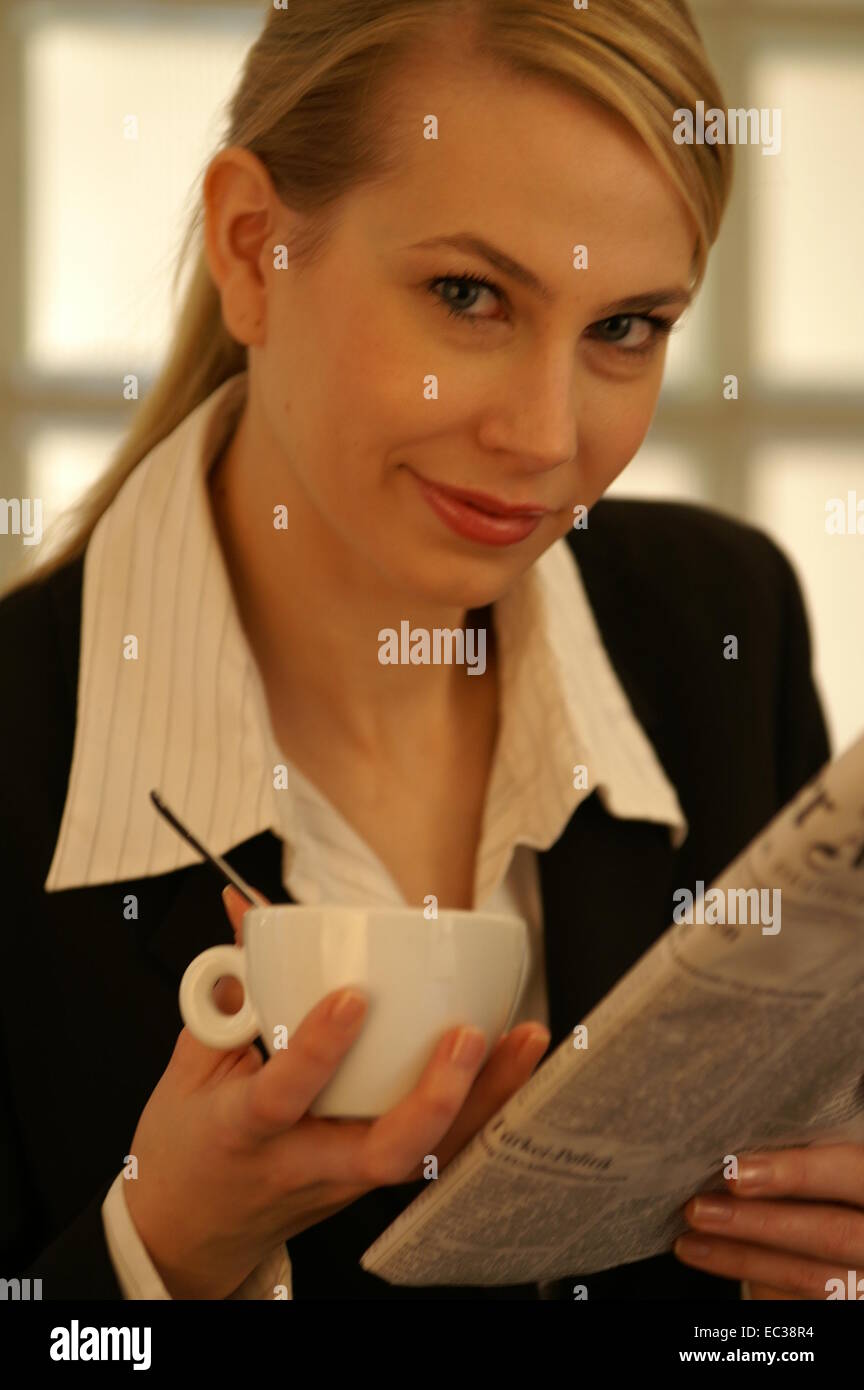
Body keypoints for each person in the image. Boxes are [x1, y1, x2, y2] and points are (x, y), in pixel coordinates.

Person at [2, 0, 858, 1303]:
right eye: (469, 295)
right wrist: (159, 1254)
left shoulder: (719, 621)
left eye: (625, 327)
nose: (545, 437)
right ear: (252, 249)